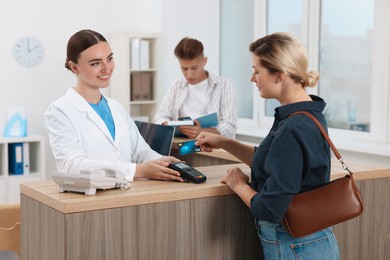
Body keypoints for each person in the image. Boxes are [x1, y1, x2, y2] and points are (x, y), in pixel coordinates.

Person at [195, 32, 340, 259]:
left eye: (257, 71)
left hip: (295, 247)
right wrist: (223, 142)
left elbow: (271, 209)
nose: (252, 78)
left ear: (280, 75)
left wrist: (239, 184)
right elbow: (274, 161)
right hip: (313, 241)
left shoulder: (293, 128)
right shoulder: (306, 113)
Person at [44, 29, 183, 183]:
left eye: (109, 59)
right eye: (95, 63)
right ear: (74, 67)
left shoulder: (116, 108)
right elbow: (73, 167)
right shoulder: (59, 111)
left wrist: (163, 162)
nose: (106, 68)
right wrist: (139, 170)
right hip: (87, 199)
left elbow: (141, 151)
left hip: (124, 194)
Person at [153, 37, 237, 139]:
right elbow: (159, 117)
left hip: (214, 149)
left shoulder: (225, 84)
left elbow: (230, 124)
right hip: (181, 146)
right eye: (184, 69)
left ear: (204, 61)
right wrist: (168, 124)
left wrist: (202, 132)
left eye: (194, 68)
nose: (189, 75)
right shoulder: (177, 86)